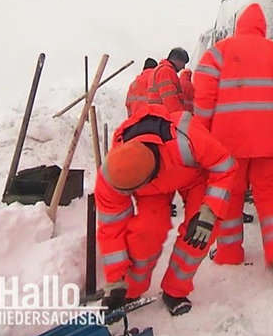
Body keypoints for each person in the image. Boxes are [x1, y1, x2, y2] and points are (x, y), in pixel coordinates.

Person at [193, 3, 273, 278]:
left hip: (228, 143)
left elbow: (204, 96)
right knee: (271, 195)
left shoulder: (218, 53)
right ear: (262, 28)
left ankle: (229, 252)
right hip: (270, 142)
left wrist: (202, 133)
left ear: (239, 26)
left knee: (230, 197)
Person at [96, 105, 237, 316]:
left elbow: (224, 166)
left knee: (201, 230)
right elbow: (111, 230)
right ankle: (129, 290)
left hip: (193, 176)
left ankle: (175, 290)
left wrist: (209, 210)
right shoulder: (112, 175)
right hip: (151, 191)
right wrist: (116, 281)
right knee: (146, 231)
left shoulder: (187, 140)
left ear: (150, 176)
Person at [148, 47, 189, 114]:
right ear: (178, 60)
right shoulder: (166, 71)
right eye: (183, 63)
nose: (183, 67)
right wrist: (181, 117)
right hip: (165, 118)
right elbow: (170, 101)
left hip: (158, 117)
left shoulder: (160, 69)